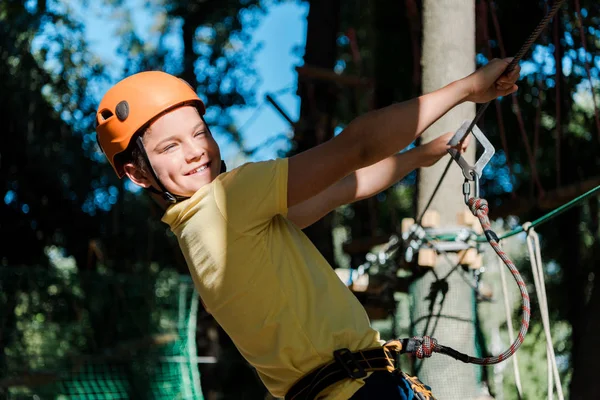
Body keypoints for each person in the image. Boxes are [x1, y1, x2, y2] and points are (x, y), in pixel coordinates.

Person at [95, 58, 520, 400]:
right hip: (359, 390)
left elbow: (339, 190)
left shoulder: (207, 232)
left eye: (199, 133)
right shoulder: (228, 200)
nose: (195, 152)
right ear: (137, 174)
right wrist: (466, 89)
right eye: (170, 147)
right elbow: (357, 147)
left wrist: (420, 155)